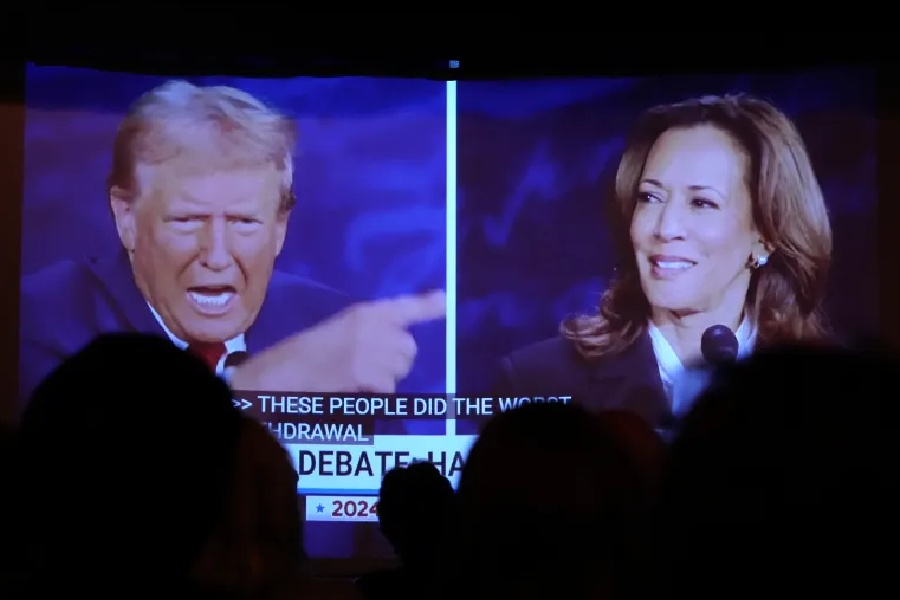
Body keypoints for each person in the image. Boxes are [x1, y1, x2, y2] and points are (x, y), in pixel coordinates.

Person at [20, 80, 445, 410]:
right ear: (126, 217)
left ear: (280, 227)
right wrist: (264, 382)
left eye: (244, 222)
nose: (217, 256)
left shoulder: (330, 328)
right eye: (187, 221)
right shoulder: (43, 318)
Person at [494, 94, 833, 433]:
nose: (666, 228)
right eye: (650, 197)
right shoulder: (535, 381)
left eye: (701, 202)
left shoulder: (826, 391)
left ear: (765, 235)